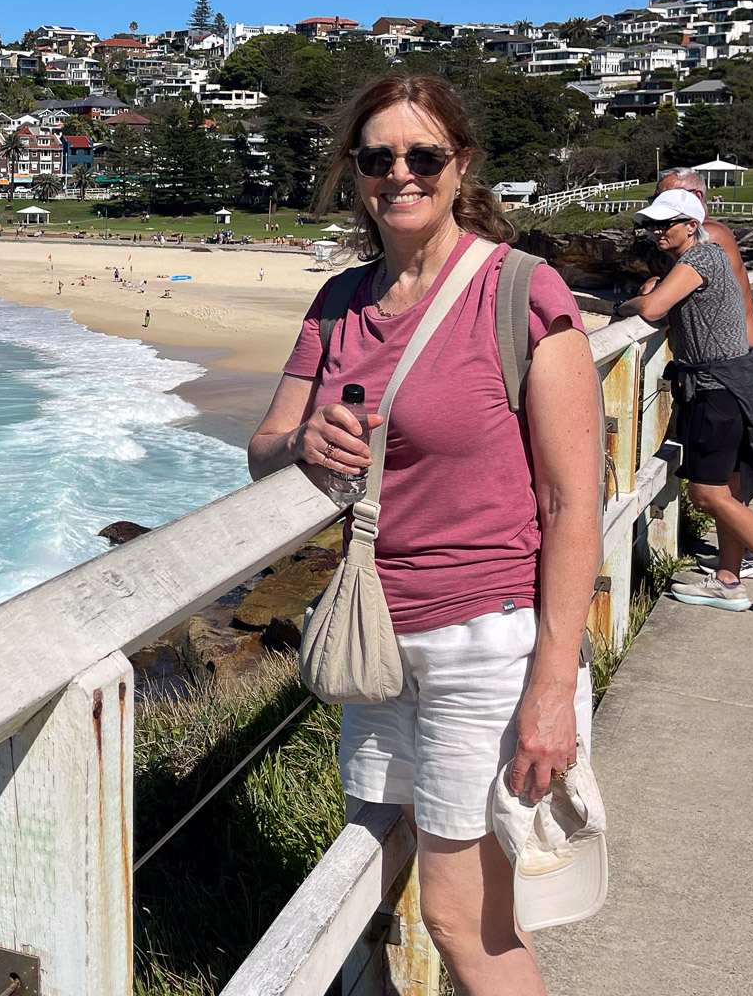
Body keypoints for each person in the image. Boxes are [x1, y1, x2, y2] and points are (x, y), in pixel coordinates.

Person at [249, 74, 599, 994]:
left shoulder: (521, 292)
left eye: (422, 155)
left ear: (460, 166)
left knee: (462, 915)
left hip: (487, 641)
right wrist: (302, 441)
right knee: (387, 859)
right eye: (376, 156)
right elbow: (261, 453)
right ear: (352, 172)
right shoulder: (337, 303)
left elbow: (572, 506)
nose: (398, 172)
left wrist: (553, 689)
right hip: (375, 641)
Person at [614, 187, 753, 613]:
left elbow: (653, 308)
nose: (656, 232)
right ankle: (728, 581)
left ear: (691, 226)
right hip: (734, 383)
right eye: (652, 225)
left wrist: (629, 303)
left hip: (718, 390)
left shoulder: (701, 258)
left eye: (666, 224)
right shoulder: (696, 262)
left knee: (706, 494)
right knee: (730, 488)